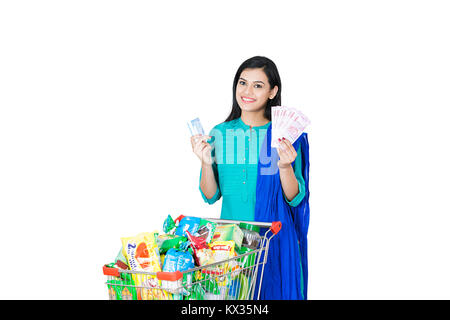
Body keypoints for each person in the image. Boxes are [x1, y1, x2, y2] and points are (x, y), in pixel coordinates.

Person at [190, 56, 310, 300]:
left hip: (272, 242)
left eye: (258, 85)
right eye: (242, 83)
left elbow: (295, 198)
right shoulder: (220, 134)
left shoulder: (285, 135)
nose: (247, 91)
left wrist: (285, 166)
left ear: (273, 91)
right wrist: (205, 161)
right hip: (230, 246)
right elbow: (211, 195)